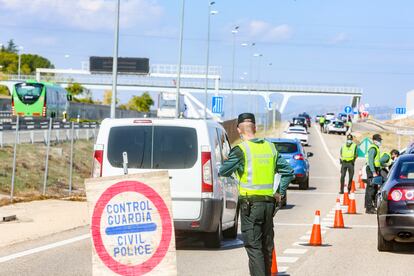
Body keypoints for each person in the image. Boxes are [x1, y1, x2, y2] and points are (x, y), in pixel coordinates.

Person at [219, 113, 294, 276]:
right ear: (255, 128)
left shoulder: (241, 150)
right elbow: (288, 172)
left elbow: (223, 171)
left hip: (250, 207)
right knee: (266, 247)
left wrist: (229, 163)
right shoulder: (270, 148)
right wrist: (279, 193)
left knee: (254, 248)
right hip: (268, 205)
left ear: (239, 130)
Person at [365, 134, 382, 214]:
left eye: (380, 140)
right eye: (378, 140)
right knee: (371, 189)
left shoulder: (376, 148)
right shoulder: (373, 148)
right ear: (374, 140)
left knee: (372, 188)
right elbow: (371, 161)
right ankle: (369, 208)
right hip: (372, 170)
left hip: (374, 170)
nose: (380, 142)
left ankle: (369, 206)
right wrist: (374, 172)